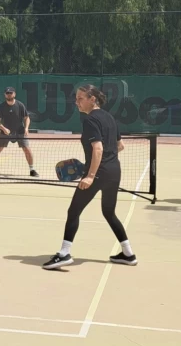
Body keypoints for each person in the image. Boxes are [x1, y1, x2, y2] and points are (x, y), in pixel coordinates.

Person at [43, 84, 136, 269]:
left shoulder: (90, 120)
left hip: (98, 174)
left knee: (73, 212)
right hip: (114, 171)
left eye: (80, 98)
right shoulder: (109, 117)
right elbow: (120, 146)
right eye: (76, 98)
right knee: (109, 212)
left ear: (92, 99)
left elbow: (98, 148)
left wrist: (91, 175)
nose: (76, 102)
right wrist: (98, 164)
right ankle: (128, 253)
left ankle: (64, 254)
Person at [0, 87, 38, 177]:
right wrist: (4, 129)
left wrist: (26, 128)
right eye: (7, 93)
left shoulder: (20, 105)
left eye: (11, 93)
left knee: (27, 149)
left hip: (20, 131)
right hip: (5, 132)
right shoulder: (1, 107)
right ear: (5, 95)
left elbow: (27, 118)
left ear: (14, 94)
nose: (9, 95)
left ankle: (32, 170)